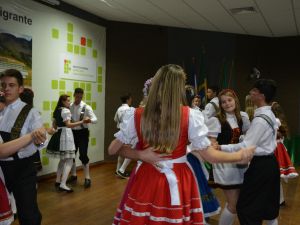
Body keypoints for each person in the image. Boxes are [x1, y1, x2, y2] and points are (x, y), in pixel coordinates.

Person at [108, 64, 255, 224]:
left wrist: (141, 155)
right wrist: (239, 156)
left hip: (146, 177)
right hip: (178, 177)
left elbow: (113, 149)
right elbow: (209, 156)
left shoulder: (138, 114)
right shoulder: (189, 115)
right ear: (178, 87)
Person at [220, 79, 280, 225]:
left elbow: (247, 145)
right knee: (267, 206)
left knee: (246, 208)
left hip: (260, 166)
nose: (250, 93)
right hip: (269, 164)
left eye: (254, 91)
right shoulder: (269, 113)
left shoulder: (259, 119)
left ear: (261, 95)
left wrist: (220, 147)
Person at [0, 69, 46, 225]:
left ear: (20, 89)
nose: (6, 89)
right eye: (4, 85)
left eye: (11, 85)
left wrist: (39, 138)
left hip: (22, 169)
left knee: (28, 214)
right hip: (0, 169)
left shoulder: (31, 112)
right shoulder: (0, 110)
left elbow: (41, 139)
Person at [206, 89, 250, 225]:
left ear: (235, 100)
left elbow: (248, 137)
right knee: (233, 204)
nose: (227, 104)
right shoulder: (216, 120)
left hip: (241, 164)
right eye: (223, 102)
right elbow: (212, 143)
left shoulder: (242, 117)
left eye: (229, 100)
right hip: (225, 165)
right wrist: (215, 145)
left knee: (237, 203)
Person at [185, 87, 221, 224]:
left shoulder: (196, 114)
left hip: (192, 158)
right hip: (177, 160)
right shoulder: (190, 114)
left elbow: (203, 140)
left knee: (196, 191)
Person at [46, 94, 91, 192]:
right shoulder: (65, 110)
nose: (69, 102)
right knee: (70, 159)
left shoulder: (57, 110)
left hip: (59, 134)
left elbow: (54, 126)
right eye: (67, 101)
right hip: (66, 135)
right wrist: (82, 122)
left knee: (62, 159)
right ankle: (63, 183)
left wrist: (51, 131)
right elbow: (69, 125)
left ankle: (58, 181)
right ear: (63, 101)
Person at [68, 88, 97, 188]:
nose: (79, 98)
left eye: (80, 97)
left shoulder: (86, 107)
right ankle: (74, 175)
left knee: (83, 154)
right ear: (74, 95)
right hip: (72, 133)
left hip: (83, 133)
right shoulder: (69, 106)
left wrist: (89, 120)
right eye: (77, 96)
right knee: (72, 154)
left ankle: (87, 178)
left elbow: (95, 119)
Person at [271, 101, 298, 206]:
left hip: (274, 149)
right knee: (275, 177)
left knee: (273, 177)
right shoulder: (281, 122)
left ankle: (278, 199)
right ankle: (279, 199)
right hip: (278, 149)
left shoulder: (275, 121)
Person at [20, 88, 42, 172]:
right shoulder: (34, 112)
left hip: (26, 147)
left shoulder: (33, 112)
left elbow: (41, 140)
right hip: (29, 147)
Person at [114, 93, 133, 178]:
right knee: (132, 151)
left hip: (120, 133)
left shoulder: (119, 108)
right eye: (130, 99)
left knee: (121, 153)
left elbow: (115, 119)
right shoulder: (129, 109)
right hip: (128, 133)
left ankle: (118, 170)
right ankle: (122, 170)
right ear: (128, 100)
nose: (131, 100)